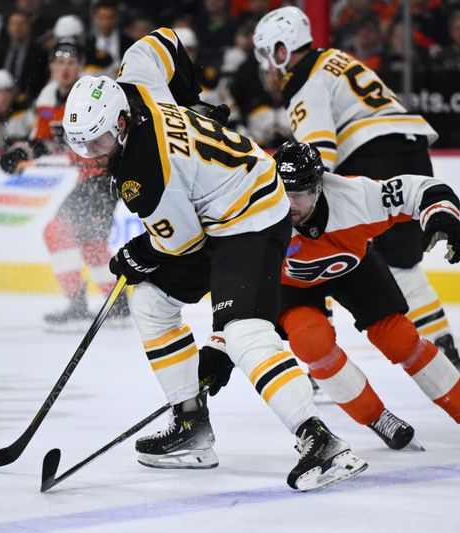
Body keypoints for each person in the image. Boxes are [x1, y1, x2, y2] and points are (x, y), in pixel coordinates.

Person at [62, 28, 368, 491]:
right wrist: (187, 98)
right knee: (149, 300)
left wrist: (134, 253)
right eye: (82, 146)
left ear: (122, 123)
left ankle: (320, 441)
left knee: (244, 331)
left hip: (253, 216)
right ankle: (190, 426)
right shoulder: (136, 81)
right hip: (218, 204)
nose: (93, 154)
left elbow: (181, 243)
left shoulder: (144, 172)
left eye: (99, 142)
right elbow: (160, 40)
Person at [253, 6, 460, 381]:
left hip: (371, 153)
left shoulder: (303, 81)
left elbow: (318, 156)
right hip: (410, 145)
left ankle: (320, 355)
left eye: (268, 55)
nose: (269, 67)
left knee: (323, 246)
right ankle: (444, 345)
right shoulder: (334, 58)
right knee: (404, 263)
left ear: (282, 50)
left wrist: (305, 212)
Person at [270, 141, 460, 451]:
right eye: (283, 192)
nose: (289, 204)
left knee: (400, 339)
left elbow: (420, 189)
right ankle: (376, 417)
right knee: (311, 342)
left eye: (299, 194)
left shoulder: (355, 197)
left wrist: (440, 214)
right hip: (291, 285)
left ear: (318, 187)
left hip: (353, 266)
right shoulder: (257, 208)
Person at [0, 38, 126, 329]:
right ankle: (117, 303)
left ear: (79, 66)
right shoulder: (46, 100)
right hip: (89, 178)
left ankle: (77, 301)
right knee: (92, 240)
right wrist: (21, 153)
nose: (65, 69)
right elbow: (43, 141)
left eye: (71, 63)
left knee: (56, 231)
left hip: (105, 175)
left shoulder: (90, 94)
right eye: (59, 63)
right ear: (52, 67)